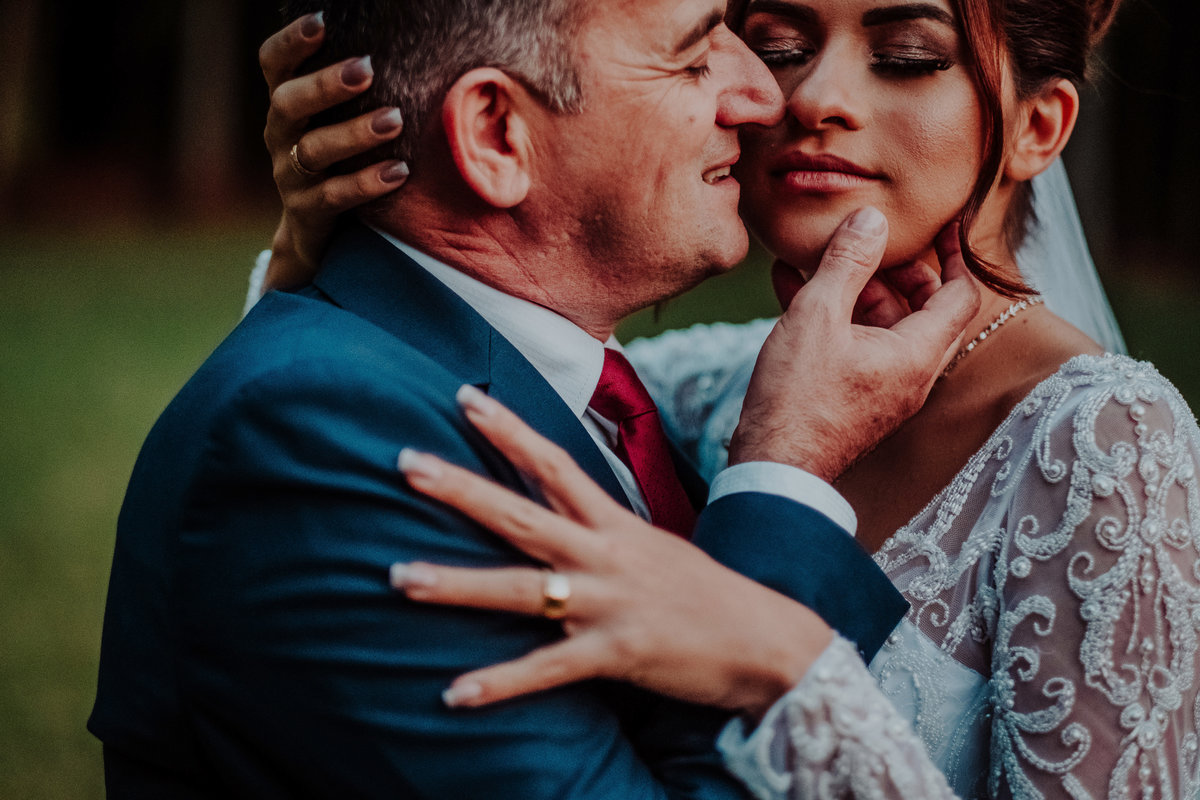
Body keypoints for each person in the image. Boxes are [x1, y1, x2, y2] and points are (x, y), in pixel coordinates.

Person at [270, 0, 1200, 797]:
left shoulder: (1106, 446)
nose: (809, 99)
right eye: (782, 46)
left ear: (1039, 128)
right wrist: (327, 247)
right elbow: (412, 415)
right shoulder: (705, 391)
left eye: (906, 58)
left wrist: (795, 676)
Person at [88, 2, 980, 798]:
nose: (760, 95)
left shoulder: (595, 389)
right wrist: (786, 463)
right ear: (497, 136)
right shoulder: (317, 441)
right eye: (694, 54)